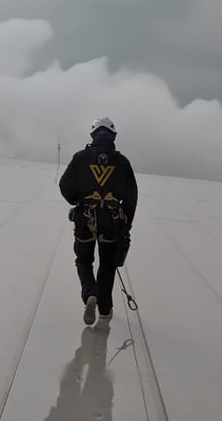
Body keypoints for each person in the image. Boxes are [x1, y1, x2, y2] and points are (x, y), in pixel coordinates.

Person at [59, 117, 138, 325]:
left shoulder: (80, 158)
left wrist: (78, 202)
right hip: (111, 223)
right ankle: (104, 307)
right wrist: (126, 225)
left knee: (84, 260)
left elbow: (64, 185)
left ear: (92, 135)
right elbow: (131, 196)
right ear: (113, 136)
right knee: (107, 265)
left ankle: (90, 293)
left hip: (85, 219)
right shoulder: (122, 163)